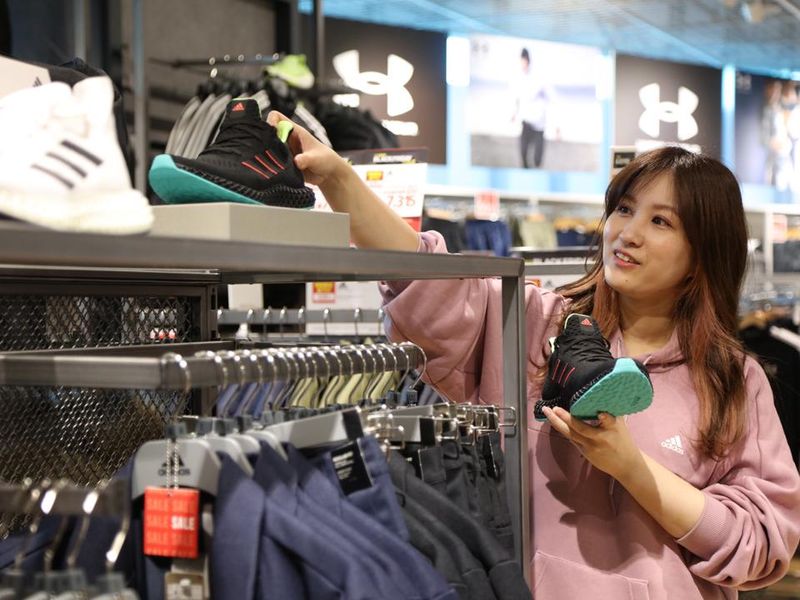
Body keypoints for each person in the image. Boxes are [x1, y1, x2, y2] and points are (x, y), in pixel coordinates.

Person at [267, 109, 800, 600]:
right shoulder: (535, 323)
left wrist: (632, 469)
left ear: (702, 252)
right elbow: (425, 278)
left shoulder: (732, 380)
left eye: (661, 221)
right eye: (624, 209)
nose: (628, 233)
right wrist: (339, 180)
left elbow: (759, 540)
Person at [512, 48, 550, 169]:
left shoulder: (538, 77)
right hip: (526, 121)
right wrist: (514, 113)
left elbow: (550, 98)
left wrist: (556, 125)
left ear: (527, 60)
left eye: (523, 61)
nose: (522, 64)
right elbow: (518, 98)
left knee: (537, 159)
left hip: (539, 123)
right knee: (523, 152)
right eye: (521, 61)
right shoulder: (519, 78)